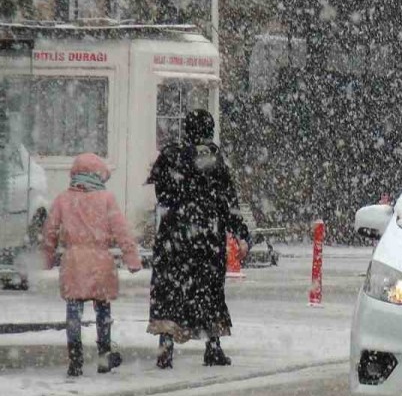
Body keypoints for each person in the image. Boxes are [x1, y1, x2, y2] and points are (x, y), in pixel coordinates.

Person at [146, 109, 249, 369]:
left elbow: (162, 196)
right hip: (206, 236)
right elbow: (228, 202)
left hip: (173, 237)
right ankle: (212, 346)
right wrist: (240, 232)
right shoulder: (213, 158)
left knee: (170, 290)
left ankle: (166, 345)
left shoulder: (169, 156)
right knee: (208, 291)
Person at [42, 153, 142, 377]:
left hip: (73, 261)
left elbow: (50, 231)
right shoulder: (106, 199)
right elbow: (121, 230)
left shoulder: (63, 199)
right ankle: (104, 355)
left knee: (73, 311)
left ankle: (75, 358)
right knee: (103, 310)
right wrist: (131, 257)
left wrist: (47, 257)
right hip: (100, 261)